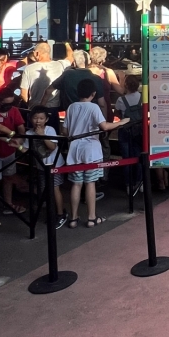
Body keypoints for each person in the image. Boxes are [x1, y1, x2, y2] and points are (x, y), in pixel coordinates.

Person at [63, 78, 124, 228]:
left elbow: (64, 130)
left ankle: (73, 218)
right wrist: (121, 122)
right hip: (91, 150)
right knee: (90, 183)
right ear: (93, 93)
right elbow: (104, 126)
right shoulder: (93, 108)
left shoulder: (71, 107)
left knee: (76, 184)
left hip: (74, 151)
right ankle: (91, 218)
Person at [25, 106, 68, 229]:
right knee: (46, 190)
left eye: (41, 118)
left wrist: (42, 135)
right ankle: (52, 212)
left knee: (55, 188)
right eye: (35, 118)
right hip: (41, 166)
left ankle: (61, 214)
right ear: (30, 119)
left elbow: (52, 147)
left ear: (46, 119)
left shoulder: (49, 130)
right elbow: (26, 150)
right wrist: (16, 146)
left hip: (55, 165)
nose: (38, 121)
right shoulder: (29, 133)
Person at [19, 41, 71, 128]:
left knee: (34, 137)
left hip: (35, 109)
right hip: (53, 108)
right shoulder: (61, 64)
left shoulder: (28, 69)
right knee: (53, 137)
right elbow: (71, 57)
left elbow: (23, 93)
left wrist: (31, 106)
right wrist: (67, 44)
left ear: (37, 53)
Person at [0, 88, 26, 215]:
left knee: (8, 178)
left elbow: (21, 129)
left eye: (11, 104)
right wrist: (9, 139)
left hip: (10, 152)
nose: (8, 107)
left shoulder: (14, 111)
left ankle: (8, 204)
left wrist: (19, 142)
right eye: (6, 104)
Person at [44, 50, 107, 115]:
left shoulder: (67, 75)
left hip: (71, 114)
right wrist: (104, 120)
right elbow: (102, 104)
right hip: (90, 116)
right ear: (89, 62)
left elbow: (48, 91)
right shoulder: (96, 79)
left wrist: (40, 108)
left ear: (74, 63)